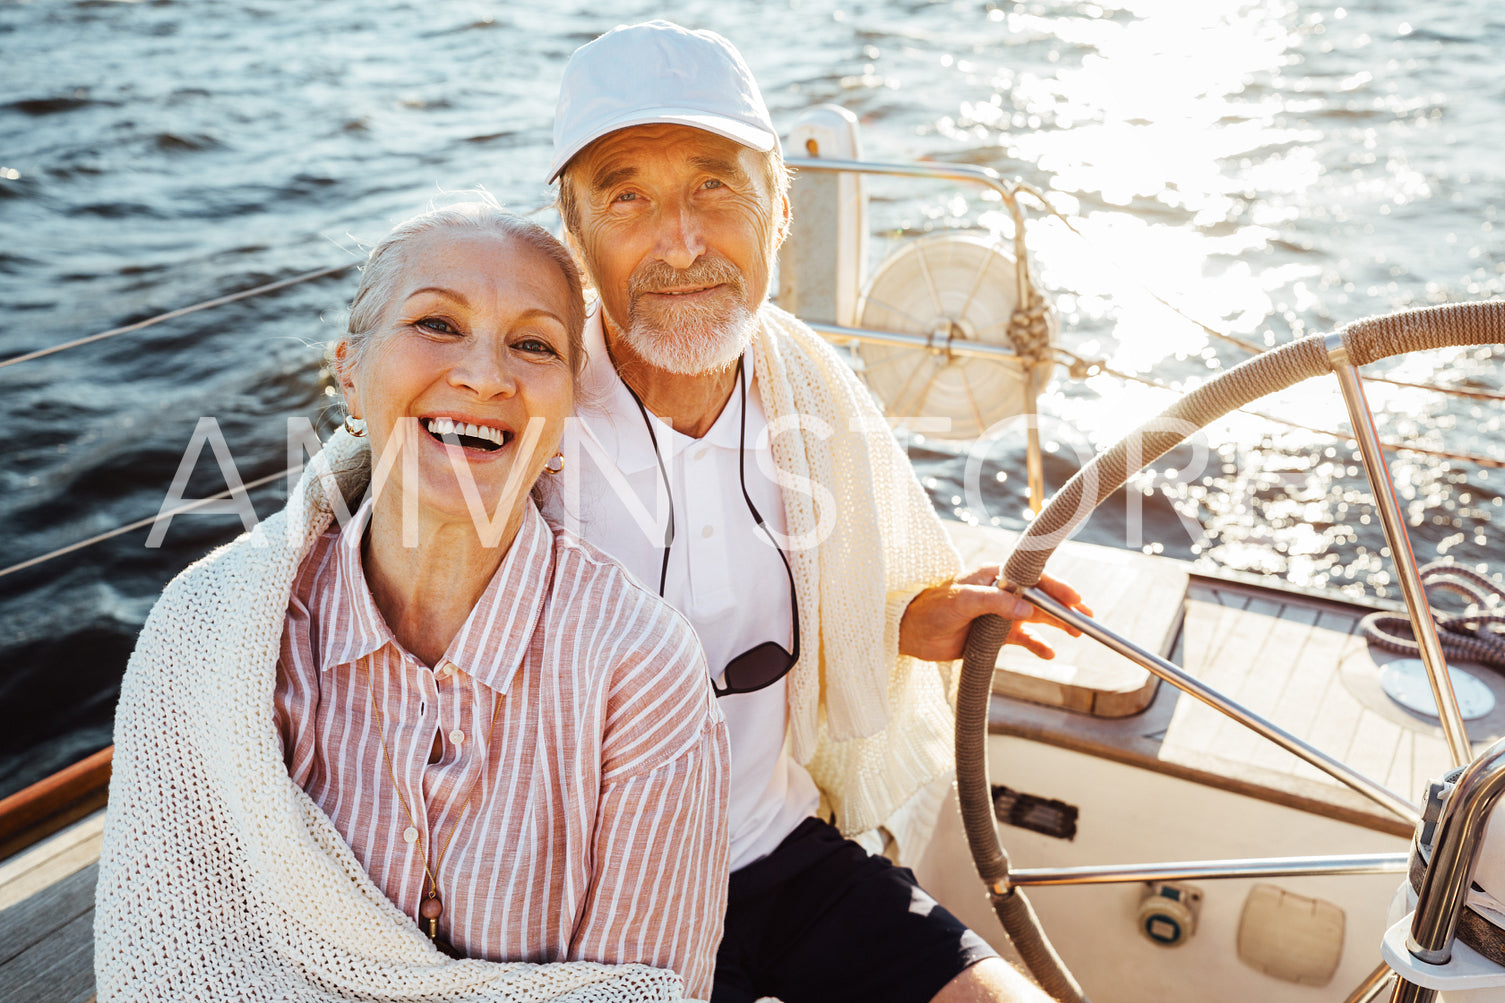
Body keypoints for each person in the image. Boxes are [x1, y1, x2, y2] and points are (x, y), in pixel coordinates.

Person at [543, 21, 1091, 1003]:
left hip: (779, 856)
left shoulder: (800, 379)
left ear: (780, 209)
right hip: (577, 914)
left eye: (716, 186)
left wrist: (914, 620)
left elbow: (844, 596)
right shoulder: (520, 408)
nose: (681, 240)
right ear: (573, 235)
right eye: (626, 195)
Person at [94, 201, 731, 1002]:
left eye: (533, 343)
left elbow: (645, 989)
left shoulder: (642, 666)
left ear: (566, 410)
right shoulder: (204, 632)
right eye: (436, 323)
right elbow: (166, 965)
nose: (485, 374)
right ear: (350, 374)